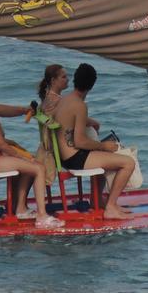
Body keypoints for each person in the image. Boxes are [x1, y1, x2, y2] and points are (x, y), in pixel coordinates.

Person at [0, 75, 64, 229]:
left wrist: (24, 110)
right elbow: (1, 144)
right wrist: (22, 157)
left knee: (29, 163)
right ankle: (42, 216)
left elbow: (4, 110)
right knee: (38, 168)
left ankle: (20, 208)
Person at [53, 63, 135, 220]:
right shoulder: (80, 105)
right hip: (75, 158)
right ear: (91, 85)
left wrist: (91, 124)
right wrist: (104, 146)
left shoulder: (65, 100)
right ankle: (111, 207)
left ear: (75, 80)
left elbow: (71, 120)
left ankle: (97, 200)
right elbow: (80, 141)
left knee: (103, 156)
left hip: (64, 157)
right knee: (128, 163)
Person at [37, 64, 100, 131]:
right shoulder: (60, 101)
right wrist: (96, 123)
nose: (68, 79)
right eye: (64, 77)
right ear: (53, 80)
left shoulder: (46, 99)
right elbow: (80, 119)